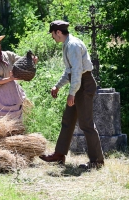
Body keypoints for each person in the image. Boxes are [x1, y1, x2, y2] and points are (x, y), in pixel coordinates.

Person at [39, 20, 104, 170]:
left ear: (58, 32)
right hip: (78, 84)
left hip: (85, 85)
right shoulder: (67, 44)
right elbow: (69, 71)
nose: (52, 37)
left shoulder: (73, 45)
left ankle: (97, 161)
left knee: (86, 124)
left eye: (53, 34)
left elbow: (77, 72)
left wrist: (71, 93)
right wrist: (57, 85)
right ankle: (59, 154)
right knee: (67, 120)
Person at [0, 33, 38, 120]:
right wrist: (10, 78)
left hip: (12, 91)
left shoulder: (7, 54)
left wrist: (31, 61)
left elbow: (22, 61)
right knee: (0, 120)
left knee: (15, 120)